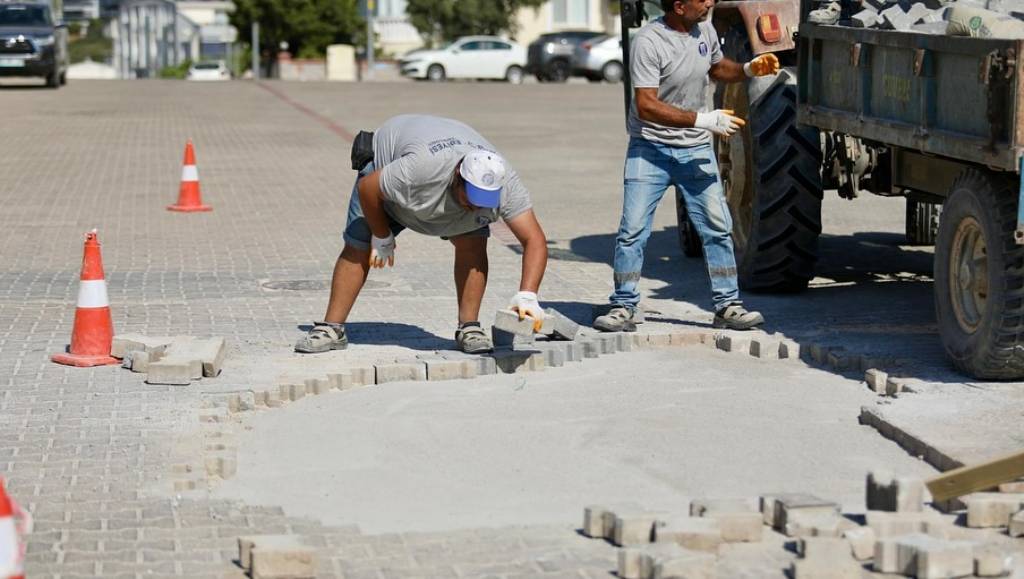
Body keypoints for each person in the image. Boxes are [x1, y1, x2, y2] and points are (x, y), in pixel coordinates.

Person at [593, 0, 780, 333]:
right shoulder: (649, 42)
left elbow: (717, 68)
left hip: (693, 149)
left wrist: (749, 69)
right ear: (679, 6)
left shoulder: (703, 29)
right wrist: (703, 119)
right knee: (632, 230)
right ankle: (624, 305)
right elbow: (646, 104)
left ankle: (727, 306)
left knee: (718, 228)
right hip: (649, 149)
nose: (709, 2)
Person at [295, 114, 548, 355]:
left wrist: (527, 295)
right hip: (388, 179)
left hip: (435, 182)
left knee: (473, 243)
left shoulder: (504, 182)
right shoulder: (421, 167)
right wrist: (381, 235)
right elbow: (368, 188)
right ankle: (331, 328)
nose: (477, 206)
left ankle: (469, 328)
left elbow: (534, 240)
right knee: (359, 245)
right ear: (458, 176)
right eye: (473, 197)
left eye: (485, 200)